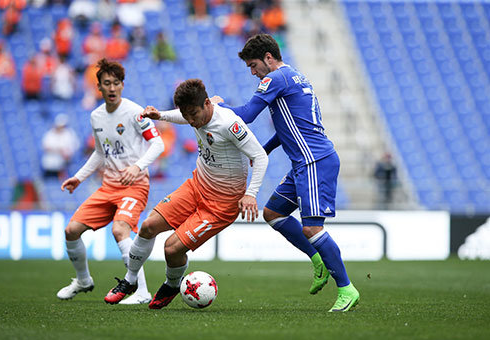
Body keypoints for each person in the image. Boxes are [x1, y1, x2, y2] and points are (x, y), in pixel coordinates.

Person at [212, 34, 359, 312]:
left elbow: (246, 114)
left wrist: (214, 108)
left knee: (312, 227)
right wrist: (264, 150)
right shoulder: (296, 77)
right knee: (273, 213)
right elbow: (290, 127)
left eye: (254, 65)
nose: (254, 73)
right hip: (304, 161)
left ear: (269, 58)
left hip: (314, 161)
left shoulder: (274, 79)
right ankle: (318, 259)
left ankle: (346, 289)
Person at [103, 79, 268, 309]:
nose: (191, 121)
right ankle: (130, 281)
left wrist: (251, 193)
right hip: (196, 186)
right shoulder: (194, 114)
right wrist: (159, 115)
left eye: (193, 114)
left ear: (208, 103)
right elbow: (183, 115)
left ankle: (172, 284)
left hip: (220, 205)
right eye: (186, 115)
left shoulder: (230, 124)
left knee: (171, 248)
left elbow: (260, 156)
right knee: (148, 226)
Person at [57, 58, 165, 305]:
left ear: (122, 85)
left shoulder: (135, 113)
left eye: (116, 83)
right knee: (71, 231)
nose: (112, 88)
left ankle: (142, 291)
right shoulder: (96, 116)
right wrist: (79, 177)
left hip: (135, 185)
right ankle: (83, 280)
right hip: (108, 187)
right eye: (107, 83)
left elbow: (158, 143)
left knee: (120, 230)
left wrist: (137, 167)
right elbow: (99, 153)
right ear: (99, 88)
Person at [41, 113, 80, 179]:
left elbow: (75, 146)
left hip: (64, 163)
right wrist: (59, 150)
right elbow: (46, 147)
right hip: (50, 163)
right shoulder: (50, 134)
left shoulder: (69, 133)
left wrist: (67, 152)